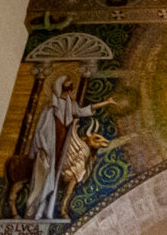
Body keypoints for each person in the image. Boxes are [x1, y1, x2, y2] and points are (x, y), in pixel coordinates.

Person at [24, 75, 115, 220]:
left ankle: (47, 210)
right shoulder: (50, 108)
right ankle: (34, 209)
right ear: (60, 88)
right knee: (44, 176)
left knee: (54, 178)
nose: (70, 91)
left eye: (71, 88)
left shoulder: (69, 104)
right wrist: (42, 148)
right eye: (68, 87)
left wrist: (106, 102)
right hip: (49, 148)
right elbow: (41, 131)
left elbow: (83, 111)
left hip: (61, 148)